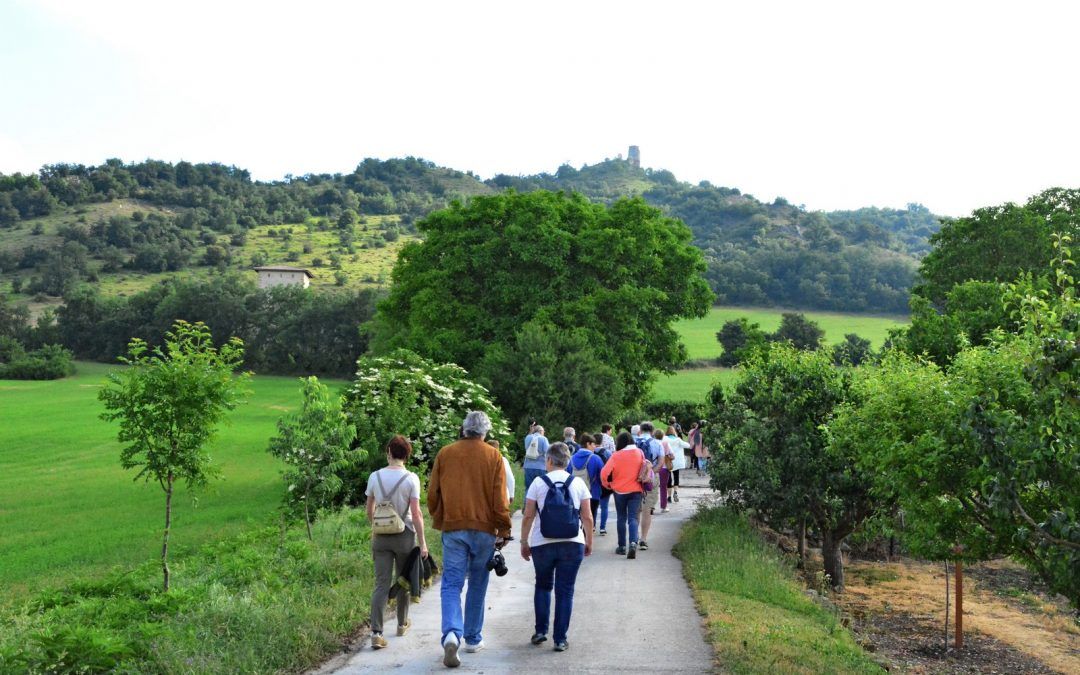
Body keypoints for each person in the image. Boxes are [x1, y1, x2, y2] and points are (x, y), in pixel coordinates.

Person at [428, 411, 512, 668]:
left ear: (464, 429)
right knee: (478, 582)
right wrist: (503, 528)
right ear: (485, 432)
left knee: (451, 583)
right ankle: (473, 639)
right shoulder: (493, 455)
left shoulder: (445, 453)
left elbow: (433, 494)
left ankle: (452, 633)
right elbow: (500, 498)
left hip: (454, 528)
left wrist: (441, 518)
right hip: (484, 529)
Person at [520, 442, 593, 652]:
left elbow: (527, 516)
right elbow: (587, 516)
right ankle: (560, 639)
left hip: (542, 543)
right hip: (573, 543)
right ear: (568, 461)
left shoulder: (537, 482)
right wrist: (588, 541)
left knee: (543, 586)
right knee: (565, 591)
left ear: (549, 460)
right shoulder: (578, 483)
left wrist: (525, 542)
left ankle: (541, 631)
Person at [366, 435, 427, 650]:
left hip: (381, 537)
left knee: (381, 584)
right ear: (407, 455)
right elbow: (417, 513)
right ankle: (401, 624)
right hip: (405, 536)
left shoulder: (375, 477)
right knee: (403, 580)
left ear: (389, 452)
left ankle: (376, 633)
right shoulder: (412, 479)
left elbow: (369, 509)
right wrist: (423, 543)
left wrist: (377, 526)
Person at [600, 431, 646, 559]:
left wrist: (607, 484)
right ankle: (633, 543)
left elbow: (604, 473)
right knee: (633, 518)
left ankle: (621, 546)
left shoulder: (616, 455)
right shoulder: (639, 453)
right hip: (636, 490)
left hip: (619, 491)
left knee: (621, 518)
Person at [635, 422, 665, 550]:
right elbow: (661, 462)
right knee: (647, 510)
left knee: (635, 509)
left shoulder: (634, 443)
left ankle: (633, 537)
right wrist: (651, 473)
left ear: (640, 430)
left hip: (634, 478)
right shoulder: (658, 443)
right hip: (651, 477)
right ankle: (643, 539)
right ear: (652, 431)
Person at [568, 434, 605, 526]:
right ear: (588, 444)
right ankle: (588, 537)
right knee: (590, 518)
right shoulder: (596, 458)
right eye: (593, 444)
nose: (594, 447)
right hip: (593, 493)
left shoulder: (571, 459)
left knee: (577, 517)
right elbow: (602, 476)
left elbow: (567, 475)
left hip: (575, 493)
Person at [596, 424, 616, 535]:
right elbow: (613, 453)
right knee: (604, 506)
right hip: (605, 479)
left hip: (594, 480)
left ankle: (593, 525)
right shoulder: (609, 446)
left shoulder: (592, 452)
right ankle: (602, 527)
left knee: (593, 505)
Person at [665, 425, 691, 504]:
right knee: (676, 477)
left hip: (668, 461)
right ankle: (675, 492)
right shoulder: (678, 440)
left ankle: (669, 496)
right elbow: (688, 446)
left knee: (668, 479)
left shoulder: (664, 439)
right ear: (674, 432)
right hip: (676, 462)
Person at [490, 439, 517, 511]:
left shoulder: (482, 460)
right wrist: (511, 495)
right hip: (501, 494)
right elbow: (510, 478)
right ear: (498, 449)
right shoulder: (502, 460)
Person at [523, 424, 550, 494]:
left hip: (528, 466)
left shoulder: (528, 438)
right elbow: (548, 452)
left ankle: (527, 504)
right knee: (541, 489)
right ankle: (539, 504)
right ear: (541, 431)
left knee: (528, 488)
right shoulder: (544, 439)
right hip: (541, 467)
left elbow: (526, 448)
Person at [653, 428, 675, 513]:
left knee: (652, 488)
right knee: (663, 488)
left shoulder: (652, 443)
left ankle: (651, 507)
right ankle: (663, 506)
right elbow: (672, 455)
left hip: (654, 468)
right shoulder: (666, 444)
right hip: (664, 468)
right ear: (663, 436)